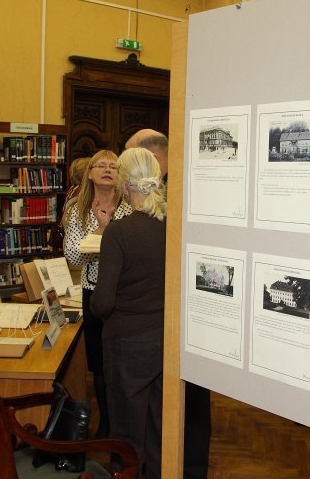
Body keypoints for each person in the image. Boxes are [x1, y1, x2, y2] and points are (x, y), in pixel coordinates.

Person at [126, 128, 211, 479]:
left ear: (153, 158)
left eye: (129, 157)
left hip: (187, 318)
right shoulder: (170, 190)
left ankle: (188, 468)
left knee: (190, 404)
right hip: (169, 318)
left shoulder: (183, 192)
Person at [91, 147, 167, 479]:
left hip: (126, 346)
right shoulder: (174, 227)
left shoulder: (119, 233)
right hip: (166, 339)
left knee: (126, 435)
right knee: (158, 430)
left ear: (124, 188)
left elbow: (103, 302)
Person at [63, 149, 132, 438]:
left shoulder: (131, 207)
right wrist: (105, 237)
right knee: (100, 364)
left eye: (113, 166)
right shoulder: (76, 208)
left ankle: (125, 421)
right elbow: (73, 256)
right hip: (93, 294)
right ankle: (106, 422)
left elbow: (133, 255)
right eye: (100, 165)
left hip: (126, 295)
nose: (107, 170)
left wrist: (100, 242)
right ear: (89, 173)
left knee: (123, 361)